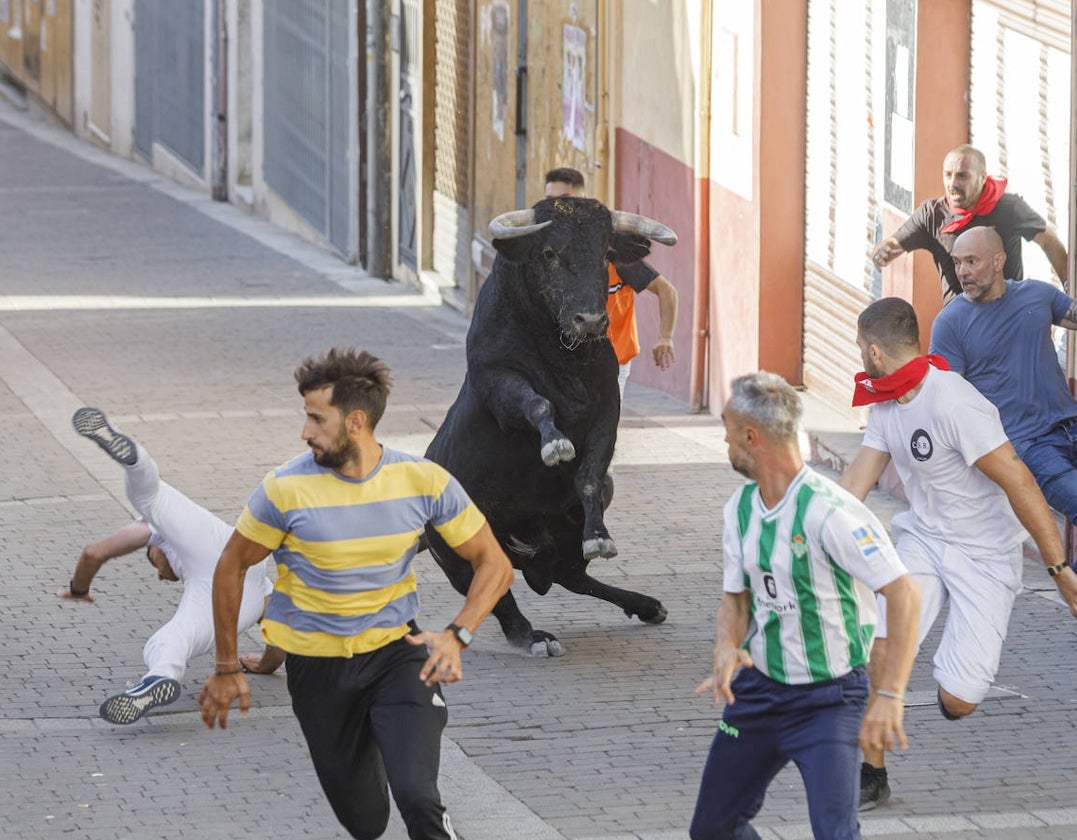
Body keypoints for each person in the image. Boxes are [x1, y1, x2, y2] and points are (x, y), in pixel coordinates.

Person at [198, 347, 514, 840]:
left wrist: (457, 635)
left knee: (418, 796)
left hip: (398, 656)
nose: (305, 432)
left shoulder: (422, 481)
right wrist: (225, 665)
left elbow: (494, 563)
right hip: (317, 670)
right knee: (366, 822)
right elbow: (230, 567)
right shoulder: (284, 489)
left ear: (356, 421)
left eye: (316, 419)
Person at [840, 298, 1077, 810]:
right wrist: (801, 539)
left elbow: (1020, 480)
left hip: (986, 555)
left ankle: (953, 678)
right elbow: (853, 488)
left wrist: (1059, 567)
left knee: (959, 702)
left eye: (859, 350)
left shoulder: (953, 401)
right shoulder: (886, 405)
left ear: (873, 350)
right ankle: (872, 772)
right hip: (924, 542)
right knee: (881, 648)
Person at [689, 371, 922, 840]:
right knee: (712, 830)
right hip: (757, 693)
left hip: (828, 701)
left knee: (835, 834)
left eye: (728, 431)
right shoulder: (739, 509)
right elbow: (736, 599)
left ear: (751, 437)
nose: (726, 441)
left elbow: (904, 594)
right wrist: (725, 646)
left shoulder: (830, 511)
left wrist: (891, 695)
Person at [930, 227, 1077, 655]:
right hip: (1027, 446)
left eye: (972, 262)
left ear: (999, 260)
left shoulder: (1037, 296)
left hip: (1074, 428)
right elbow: (947, 403)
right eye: (957, 263)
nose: (963, 272)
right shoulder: (950, 324)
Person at [67, 407, 280, 724]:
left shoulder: (157, 533)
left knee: (151, 506)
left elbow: (94, 552)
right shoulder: (264, 591)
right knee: (152, 496)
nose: (159, 575)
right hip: (245, 573)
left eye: (151, 560)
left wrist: (78, 589)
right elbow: (279, 635)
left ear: (154, 550)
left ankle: (160, 675)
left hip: (215, 560)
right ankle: (135, 459)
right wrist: (265, 666)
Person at [872, 144, 1069, 303]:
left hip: (1007, 318)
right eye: (948, 175)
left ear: (983, 177)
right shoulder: (932, 214)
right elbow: (893, 244)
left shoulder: (1009, 208)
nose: (953, 184)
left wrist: (1069, 288)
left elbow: (1048, 240)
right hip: (960, 325)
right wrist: (883, 252)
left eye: (962, 176)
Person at [544, 167, 678, 400]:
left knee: (599, 433)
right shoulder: (547, 252)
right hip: (563, 364)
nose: (556, 209)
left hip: (610, 364)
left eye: (564, 200)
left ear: (583, 200)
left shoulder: (613, 251)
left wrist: (665, 336)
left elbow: (667, 291)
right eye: (549, 201)